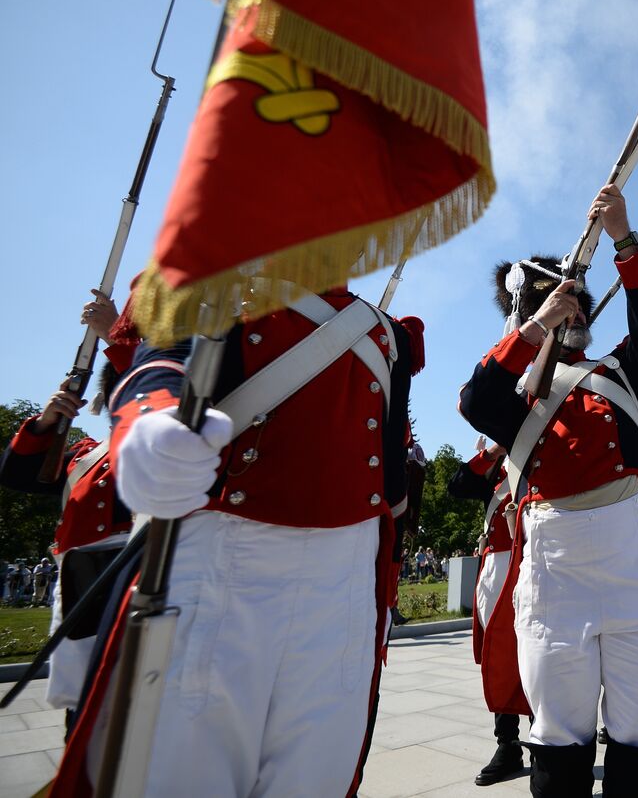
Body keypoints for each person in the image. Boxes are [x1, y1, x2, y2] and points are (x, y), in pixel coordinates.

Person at [50, 283, 424, 797]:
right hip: (223, 553)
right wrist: (151, 417)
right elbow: (160, 362)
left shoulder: (388, 334)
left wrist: (388, 574)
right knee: (182, 772)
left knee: (317, 773)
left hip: (346, 572)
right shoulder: (215, 276)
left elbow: (392, 479)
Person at [459, 184, 638, 797]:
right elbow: (476, 402)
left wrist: (624, 237)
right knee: (561, 735)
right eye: (562, 306)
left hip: (636, 562)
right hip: (555, 572)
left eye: (579, 305)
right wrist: (535, 328)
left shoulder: (621, 372)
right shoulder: (513, 387)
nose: (575, 314)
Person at [0, 286, 140, 711]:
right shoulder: (85, 453)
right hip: (77, 587)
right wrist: (47, 421)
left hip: (130, 579)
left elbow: (167, 393)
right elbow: (18, 474)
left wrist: (116, 336)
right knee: (81, 708)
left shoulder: (154, 446)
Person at [445, 437, 525, 787]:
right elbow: (458, 485)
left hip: (536, 561)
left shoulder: (540, 451)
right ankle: (508, 745)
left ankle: (546, 744)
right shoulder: (494, 469)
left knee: (544, 658)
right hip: (496, 569)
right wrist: (492, 451)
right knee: (500, 660)